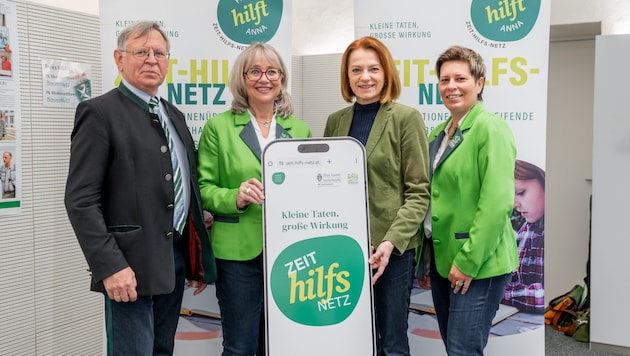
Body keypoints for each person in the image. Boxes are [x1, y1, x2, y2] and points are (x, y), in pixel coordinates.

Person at [64, 21, 216, 356]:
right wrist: (110, 266)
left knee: (162, 350)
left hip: (173, 262)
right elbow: (80, 201)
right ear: (119, 59)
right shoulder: (99, 113)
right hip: (127, 268)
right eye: (141, 52)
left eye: (159, 53)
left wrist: (194, 251)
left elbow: (179, 188)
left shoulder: (173, 114)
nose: (151, 59)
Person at [197, 42, 312, 355]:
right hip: (237, 255)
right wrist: (236, 195)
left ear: (282, 77)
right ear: (242, 78)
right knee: (240, 347)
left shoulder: (299, 130)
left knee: (281, 346)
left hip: (290, 254)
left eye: (272, 71)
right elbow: (203, 189)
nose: (265, 78)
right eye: (256, 71)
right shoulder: (218, 128)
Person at [324, 36, 430, 355]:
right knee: (352, 338)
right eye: (356, 70)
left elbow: (418, 192)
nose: (365, 77)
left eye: (373, 68)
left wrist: (388, 242)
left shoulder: (405, 118)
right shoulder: (335, 121)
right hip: (346, 249)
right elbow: (327, 186)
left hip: (392, 252)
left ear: (386, 73)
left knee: (392, 341)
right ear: (347, 76)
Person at [420, 45, 518, 356]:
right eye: (444, 79)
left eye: (460, 78)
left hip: (476, 262)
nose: (451, 86)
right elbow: (431, 199)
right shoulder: (438, 133)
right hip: (442, 261)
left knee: (463, 350)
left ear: (479, 83)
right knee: (455, 348)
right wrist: (426, 261)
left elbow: (497, 203)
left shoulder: (490, 128)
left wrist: (468, 262)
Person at [502, 159, 545, 314]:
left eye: (521, 192)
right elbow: (515, 276)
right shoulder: (526, 230)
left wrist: (498, 293)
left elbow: (545, 296)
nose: (514, 203)